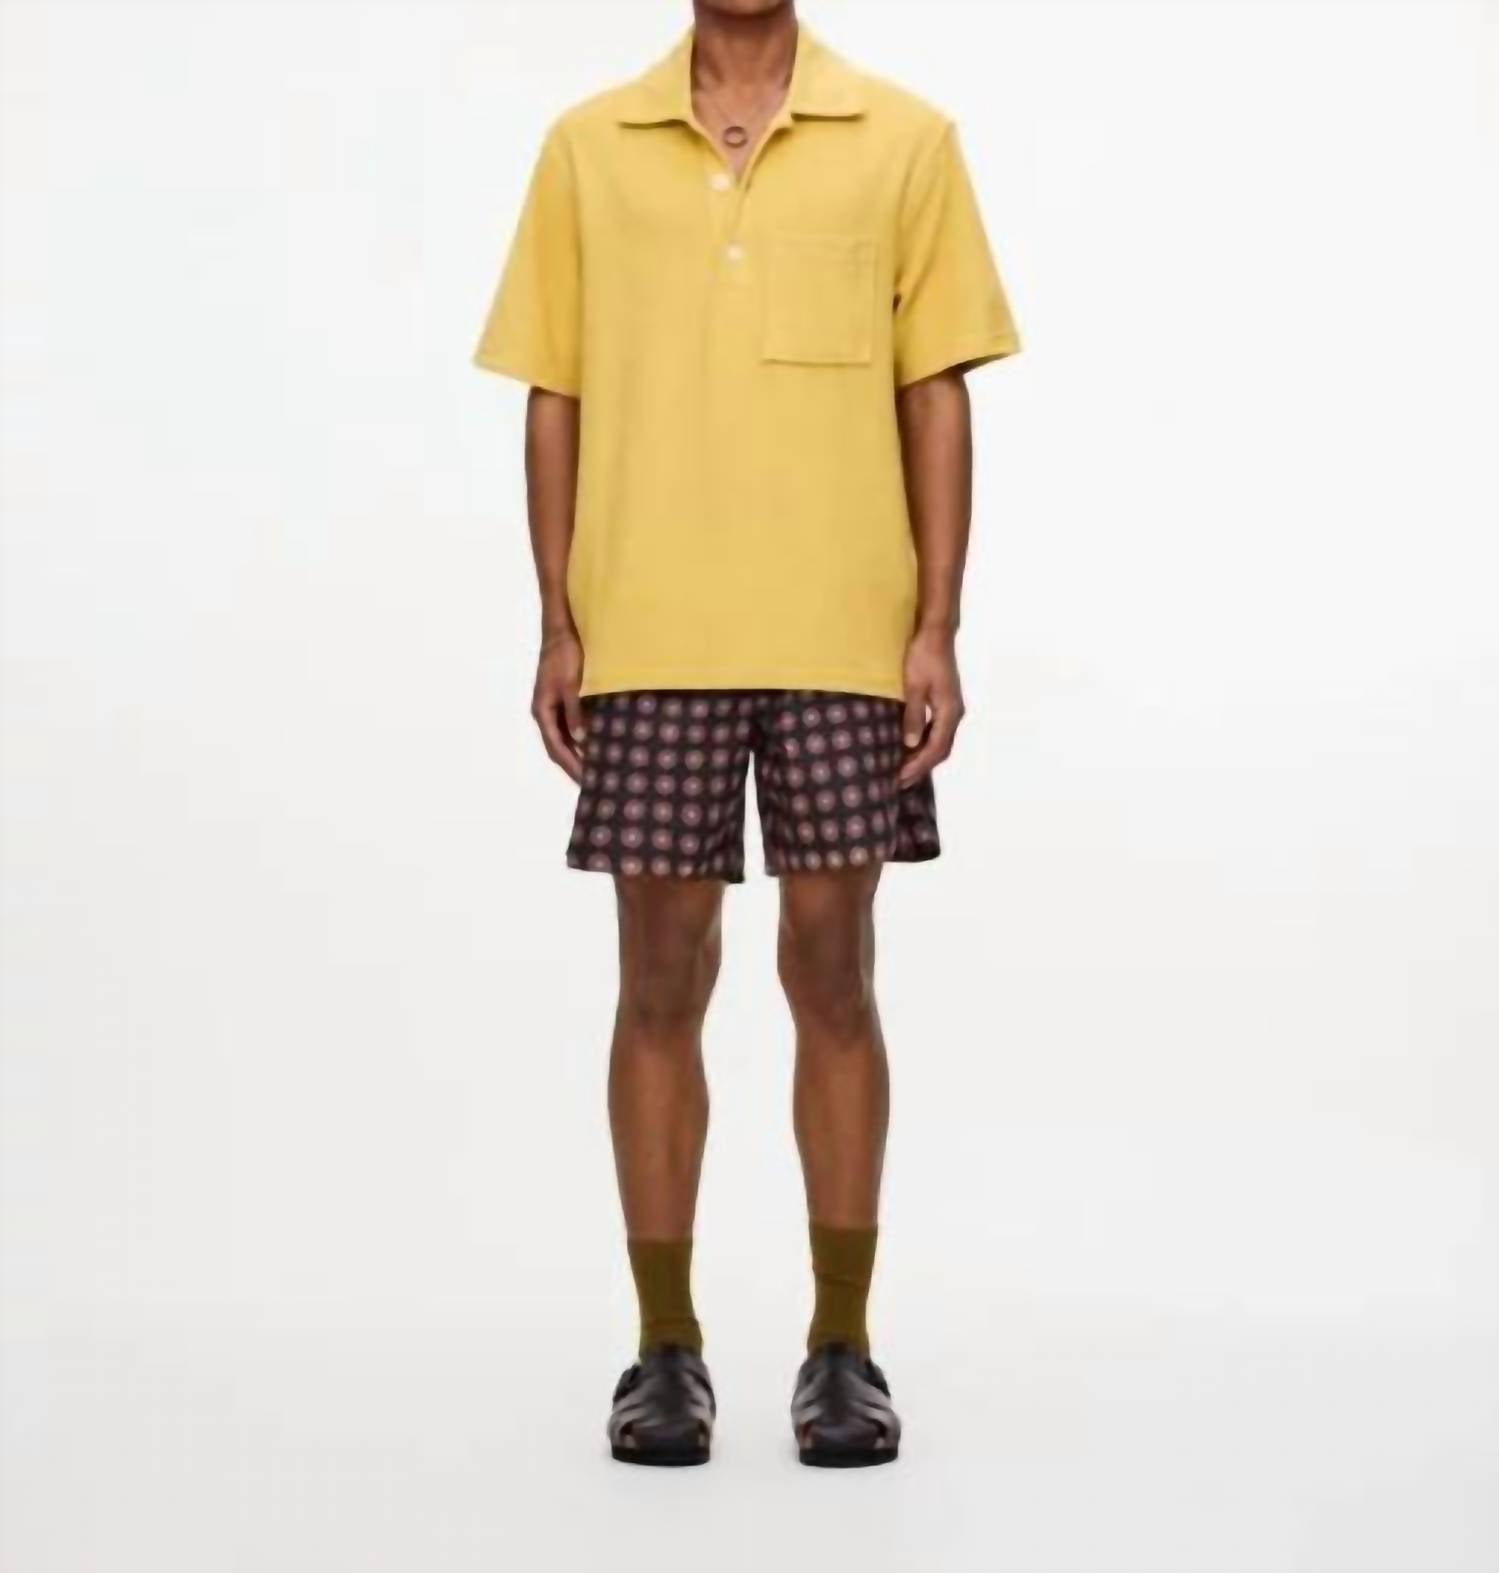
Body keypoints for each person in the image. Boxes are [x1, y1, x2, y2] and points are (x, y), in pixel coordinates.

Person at [472, 0, 1019, 1468]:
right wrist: (558, 620)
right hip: (651, 629)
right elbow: (554, 393)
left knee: (833, 970)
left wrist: (936, 624)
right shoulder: (588, 148)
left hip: (844, 632)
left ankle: (842, 1344)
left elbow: (935, 391)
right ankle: (666, 1344)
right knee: (660, 978)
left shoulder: (904, 139)